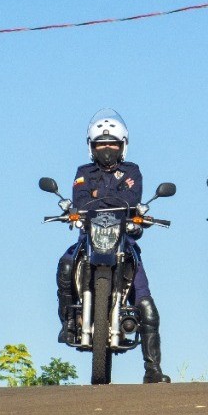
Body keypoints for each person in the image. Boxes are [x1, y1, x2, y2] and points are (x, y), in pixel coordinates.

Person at [56, 110, 170, 384]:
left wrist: (98, 198)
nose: (106, 149)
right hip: (88, 238)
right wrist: (110, 199)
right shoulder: (83, 172)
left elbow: (132, 198)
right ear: (91, 147)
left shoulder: (132, 171)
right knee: (65, 264)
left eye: (112, 144)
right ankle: (68, 322)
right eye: (100, 144)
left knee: (145, 300)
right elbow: (81, 202)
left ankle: (152, 369)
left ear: (122, 146)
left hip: (123, 240)